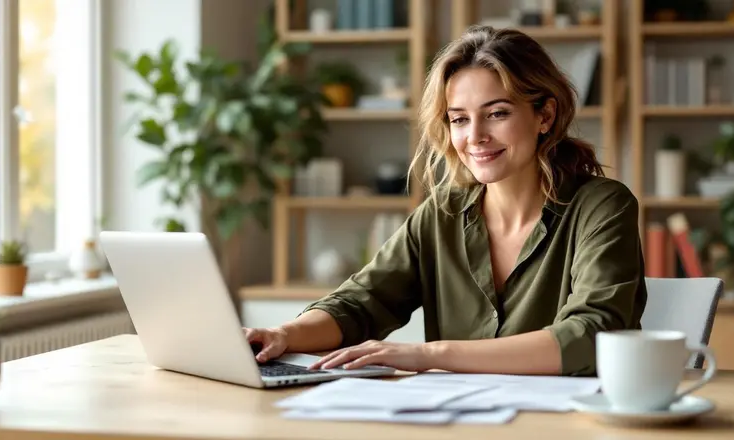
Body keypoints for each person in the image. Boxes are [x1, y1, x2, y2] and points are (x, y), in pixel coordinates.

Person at [243, 25, 647, 377]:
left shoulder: (602, 207)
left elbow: (591, 334)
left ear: (544, 115)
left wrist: (430, 354)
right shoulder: (443, 212)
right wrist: (283, 335)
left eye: (497, 113)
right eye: (459, 119)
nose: (475, 137)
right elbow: (361, 301)